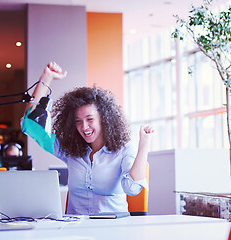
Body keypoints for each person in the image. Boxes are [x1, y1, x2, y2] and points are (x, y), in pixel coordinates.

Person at [23, 62, 155, 215]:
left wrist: (144, 144)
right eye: (78, 121)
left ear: (104, 118)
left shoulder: (123, 149)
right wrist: (46, 79)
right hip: (75, 229)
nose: (84, 127)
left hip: (113, 229)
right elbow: (30, 126)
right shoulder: (70, 149)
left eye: (89, 119)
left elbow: (132, 189)